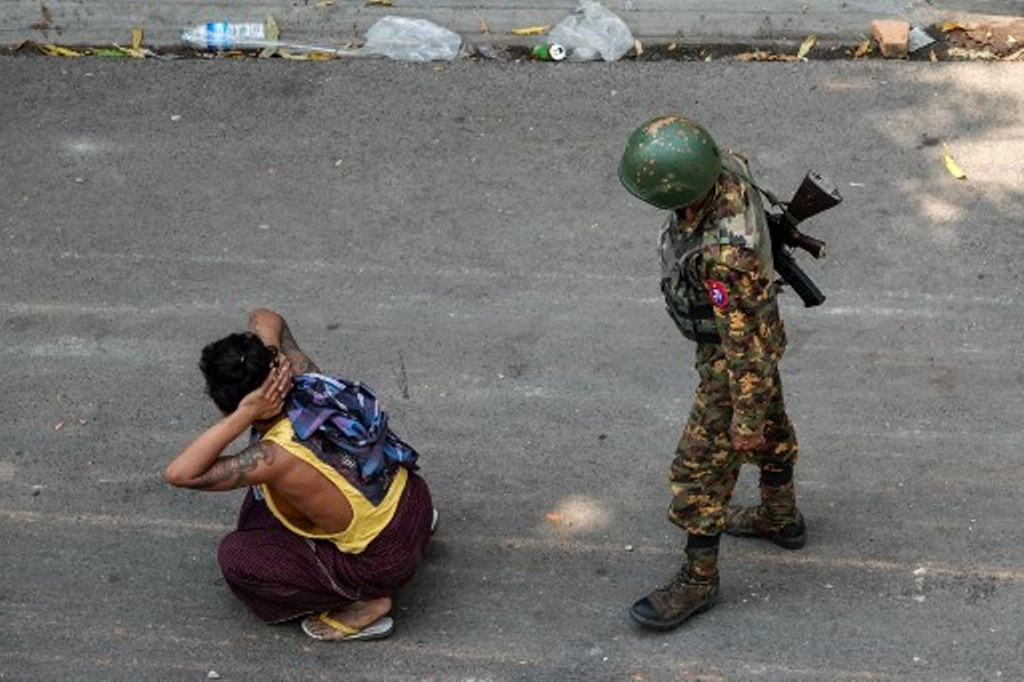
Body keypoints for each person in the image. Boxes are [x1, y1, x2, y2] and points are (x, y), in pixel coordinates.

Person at [618, 115, 806, 630]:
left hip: (734, 358)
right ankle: (779, 515)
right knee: (770, 421)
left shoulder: (726, 259)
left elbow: (744, 353)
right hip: (752, 336)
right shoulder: (723, 171)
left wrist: (743, 420)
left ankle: (698, 581)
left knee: (698, 471)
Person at [164, 308, 434, 641]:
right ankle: (415, 533)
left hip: (386, 561)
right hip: (415, 502)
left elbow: (181, 473)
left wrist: (244, 415)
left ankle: (368, 602)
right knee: (262, 503)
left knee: (237, 556)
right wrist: (273, 355)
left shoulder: (275, 456)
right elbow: (264, 316)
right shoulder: (307, 378)